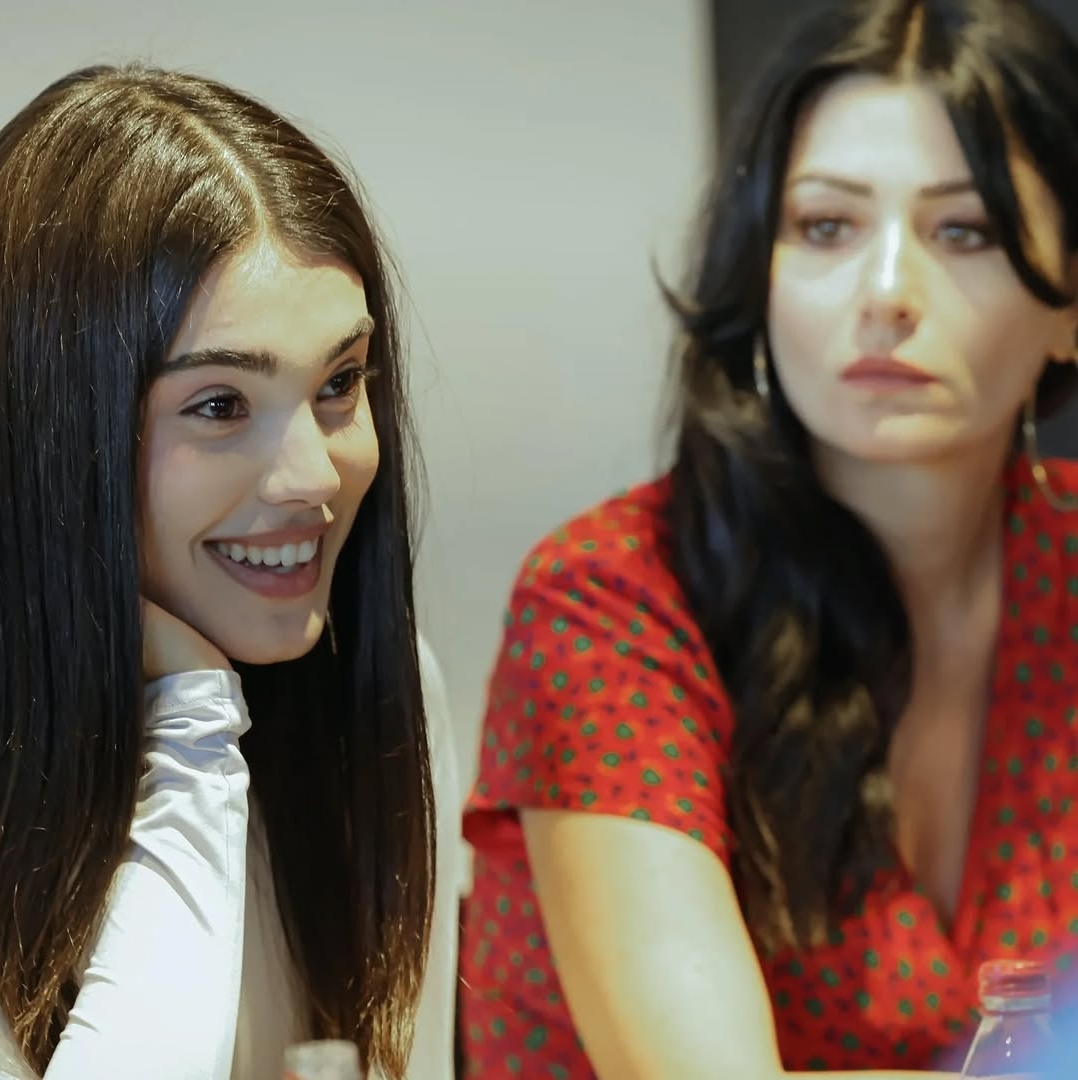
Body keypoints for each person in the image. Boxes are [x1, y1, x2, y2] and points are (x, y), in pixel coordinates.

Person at [459, 0, 1078, 1075]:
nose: (887, 294)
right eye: (827, 227)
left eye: (964, 230)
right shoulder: (610, 600)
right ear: (757, 271)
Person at [0, 65, 462, 1079]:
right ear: (47, 434)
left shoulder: (380, 693)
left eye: (340, 384)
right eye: (218, 406)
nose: (314, 478)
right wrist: (191, 737)